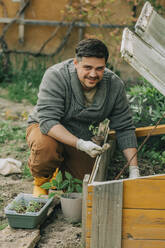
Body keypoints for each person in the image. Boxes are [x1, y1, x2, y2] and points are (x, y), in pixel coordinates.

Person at [26, 38, 140, 196]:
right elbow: (48, 121)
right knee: (45, 147)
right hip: (46, 130)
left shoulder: (114, 85)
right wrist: (80, 144)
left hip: (81, 136)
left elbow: (124, 127)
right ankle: (42, 181)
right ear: (75, 63)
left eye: (100, 69)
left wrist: (134, 169)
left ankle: (60, 169)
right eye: (88, 67)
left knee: (80, 189)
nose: (93, 74)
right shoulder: (57, 76)